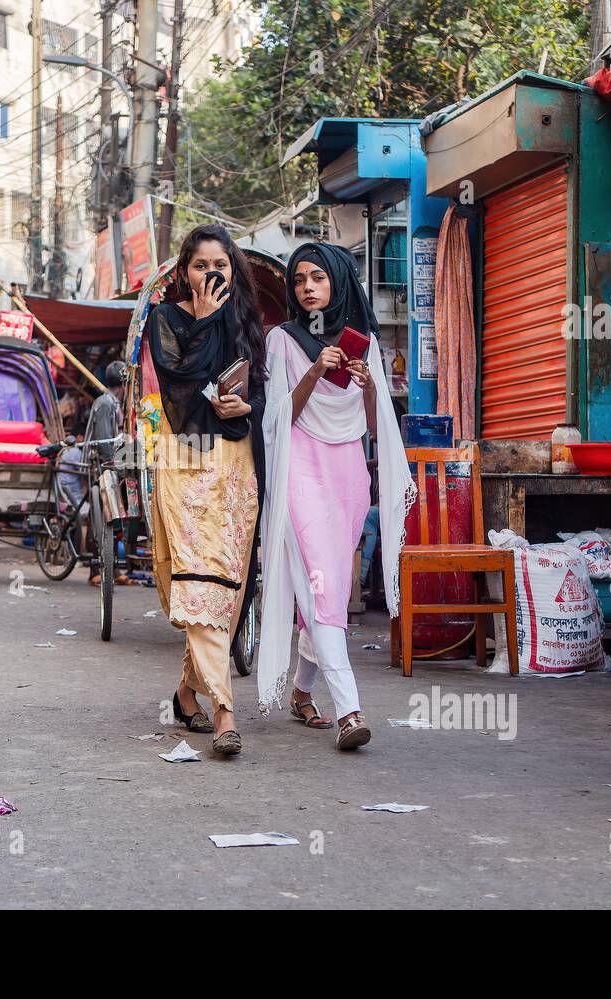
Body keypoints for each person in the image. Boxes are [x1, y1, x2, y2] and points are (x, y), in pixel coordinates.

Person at [256, 242, 414, 751]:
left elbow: (372, 424)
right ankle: (350, 709)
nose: (307, 288)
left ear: (339, 282)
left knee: (327, 587)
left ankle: (302, 692)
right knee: (323, 589)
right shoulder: (281, 339)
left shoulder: (364, 344)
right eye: (300, 280)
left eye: (318, 278)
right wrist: (314, 371)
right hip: (300, 466)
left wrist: (367, 385)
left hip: (347, 472)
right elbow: (278, 416)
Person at [146, 223, 267, 756]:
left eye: (220, 266)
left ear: (233, 271)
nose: (211, 274)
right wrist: (203, 319)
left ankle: (185, 695)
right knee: (198, 584)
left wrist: (246, 407)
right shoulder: (167, 319)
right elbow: (176, 386)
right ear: (184, 272)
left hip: (235, 464)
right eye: (201, 265)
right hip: (184, 462)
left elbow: (260, 393)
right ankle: (224, 712)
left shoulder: (246, 324)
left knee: (225, 585)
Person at [86, 360, 127, 586]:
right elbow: (104, 442)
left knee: (115, 518)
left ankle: (115, 569)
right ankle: (95, 568)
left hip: (111, 467)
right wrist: (112, 465)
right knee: (98, 519)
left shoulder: (115, 403)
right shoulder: (105, 403)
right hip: (99, 468)